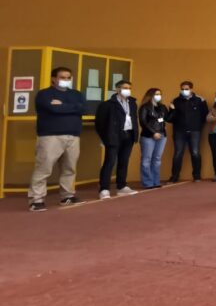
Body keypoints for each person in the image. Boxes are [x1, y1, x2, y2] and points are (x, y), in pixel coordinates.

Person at [28, 67, 86, 211]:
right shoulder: (44, 94)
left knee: (69, 168)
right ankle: (36, 199)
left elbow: (83, 108)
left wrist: (62, 106)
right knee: (44, 168)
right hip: (50, 136)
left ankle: (67, 196)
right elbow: (53, 109)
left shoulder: (76, 94)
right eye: (62, 77)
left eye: (68, 77)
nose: (65, 80)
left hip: (73, 136)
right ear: (53, 78)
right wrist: (72, 108)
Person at [95, 80, 140, 200]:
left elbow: (134, 118)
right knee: (109, 162)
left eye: (129, 87)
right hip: (114, 136)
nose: (127, 90)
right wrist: (105, 138)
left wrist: (135, 134)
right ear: (117, 89)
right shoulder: (108, 104)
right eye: (125, 87)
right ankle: (104, 188)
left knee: (124, 161)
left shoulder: (132, 103)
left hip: (129, 135)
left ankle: (122, 186)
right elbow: (100, 123)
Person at [168, 81, 208, 183]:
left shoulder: (200, 100)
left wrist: (197, 125)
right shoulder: (175, 101)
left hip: (195, 130)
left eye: (186, 89)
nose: (184, 91)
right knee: (178, 153)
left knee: (195, 153)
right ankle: (175, 176)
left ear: (191, 89)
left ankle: (197, 176)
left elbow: (204, 115)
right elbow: (170, 117)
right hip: (179, 131)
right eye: (182, 89)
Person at [138, 88, 169, 189]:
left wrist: (173, 109)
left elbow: (168, 118)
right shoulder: (144, 107)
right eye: (156, 94)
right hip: (148, 136)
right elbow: (143, 122)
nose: (158, 96)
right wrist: (153, 133)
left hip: (162, 135)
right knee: (146, 159)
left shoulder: (162, 107)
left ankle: (156, 181)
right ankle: (148, 182)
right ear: (150, 95)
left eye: (160, 94)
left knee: (157, 159)